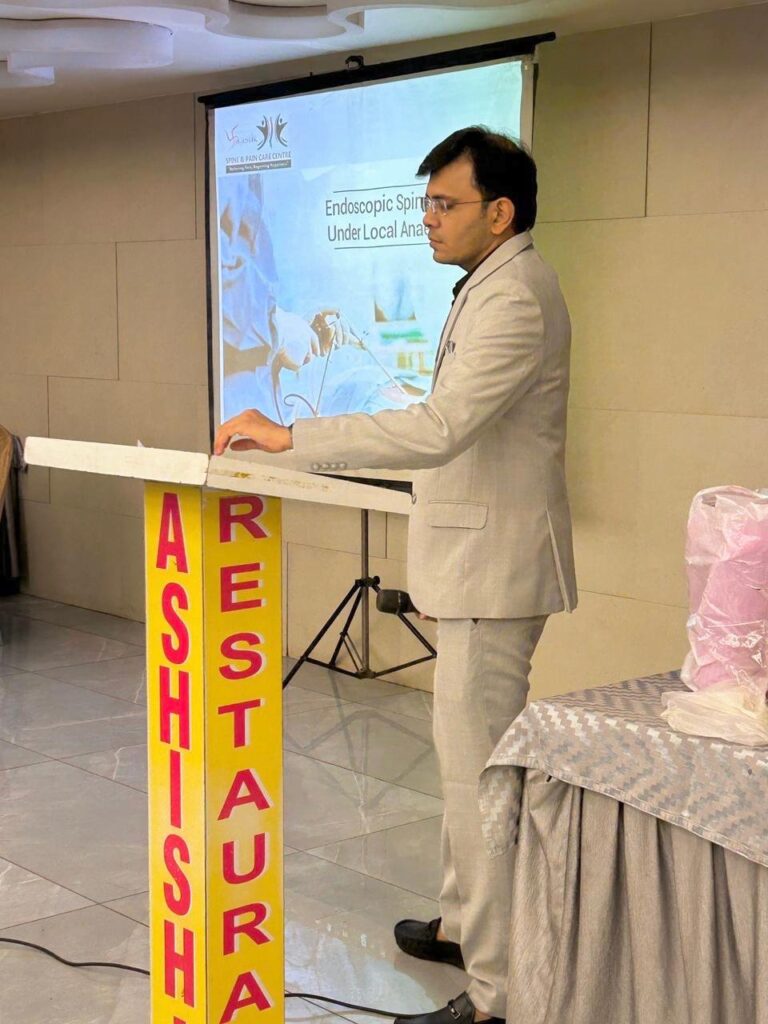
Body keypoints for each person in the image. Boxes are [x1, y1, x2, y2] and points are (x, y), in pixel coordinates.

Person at [214, 126, 577, 1024]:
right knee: (465, 771)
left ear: (501, 211)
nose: (428, 219)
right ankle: (461, 924)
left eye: (444, 204)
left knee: (478, 785)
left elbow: (439, 427)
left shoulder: (515, 298)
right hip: (476, 566)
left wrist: (296, 436)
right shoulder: (490, 283)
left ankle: (496, 994)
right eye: (424, 204)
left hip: (492, 575)